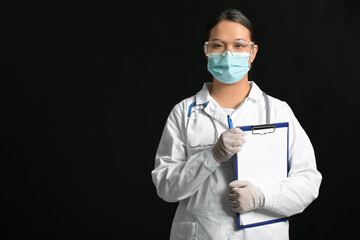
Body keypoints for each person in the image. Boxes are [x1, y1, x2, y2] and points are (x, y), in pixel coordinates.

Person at [151, 8, 322, 240]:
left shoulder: (277, 111)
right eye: (218, 45)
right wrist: (211, 156)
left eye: (239, 46)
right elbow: (166, 187)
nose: (228, 54)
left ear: (253, 52)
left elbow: (308, 182)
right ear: (206, 51)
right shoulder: (184, 113)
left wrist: (262, 197)